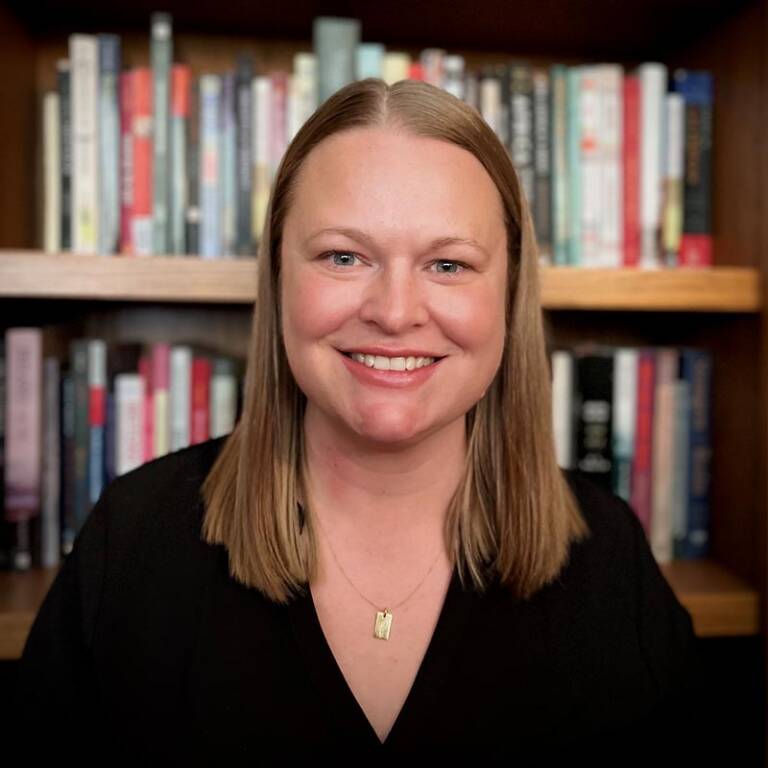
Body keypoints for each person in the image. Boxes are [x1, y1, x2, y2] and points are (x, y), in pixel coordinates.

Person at [14, 77, 703, 764]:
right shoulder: (133, 539)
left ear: (511, 292)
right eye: (344, 257)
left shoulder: (610, 559)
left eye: (448, 263)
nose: (395, 311)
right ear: (278, 276)